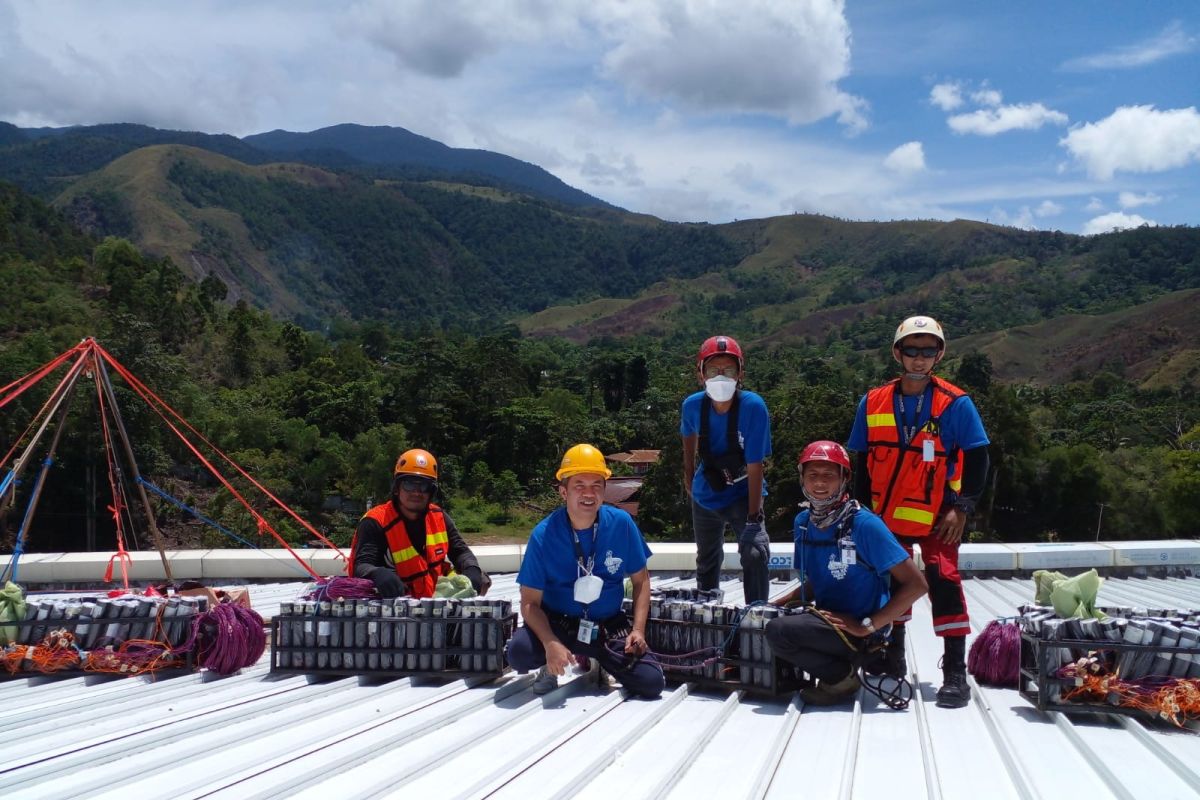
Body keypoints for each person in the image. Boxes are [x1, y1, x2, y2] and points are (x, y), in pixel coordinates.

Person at [847, 315, 990, 708]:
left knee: (943, 581)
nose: (919, 359)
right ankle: (893, 657)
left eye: (928, 351)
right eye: (912, 350)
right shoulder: (873, 401)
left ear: (939, 355)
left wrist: (962, 509)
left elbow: (979, 458)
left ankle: (955, 671)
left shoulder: (955, 404)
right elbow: (861, 463)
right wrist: (861, 514)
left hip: (937, 515)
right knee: (893, 585)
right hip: (885, 517)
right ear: (898, 353)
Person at [766, 441, 928, 706]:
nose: (819, 483)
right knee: (763, 621)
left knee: (778, 632)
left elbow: (917, 584)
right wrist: (773, 605)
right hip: (828, 623)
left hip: (860, 631)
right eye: (812, 476)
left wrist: (867, 626)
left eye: (828, 475)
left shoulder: (865, 525)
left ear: (845, 478)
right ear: (802, 479)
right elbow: (816, 583)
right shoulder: (803, 524)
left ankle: (841, 678)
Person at [506, 444, 665, 699]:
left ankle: (600, 659)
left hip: (606, 626)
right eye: (579, 485)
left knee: (651, 683)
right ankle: (553, 660)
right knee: (519, 652)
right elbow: (529, 604)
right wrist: (549, 642)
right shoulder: (543, 535)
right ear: (563, 491)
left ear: (604, 490)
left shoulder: (621, 524)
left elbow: (641, 582)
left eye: (596, 485)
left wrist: (637, 630)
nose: (588, 493)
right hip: (559, 622)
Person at [680, 335, 773, 603]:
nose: (721, 377)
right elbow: (688, 436)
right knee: (707, 559)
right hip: (707, 493)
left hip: (744, 494)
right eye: (713, 370)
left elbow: (756, 465)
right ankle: (707, 612)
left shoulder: (753, 407)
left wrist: (755, 518)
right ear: (701, 374)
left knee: (754, 553)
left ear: (740, 373)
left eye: (728, 370)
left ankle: (756, 613)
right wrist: (688, 476)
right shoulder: (693, 406)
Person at [347, 448, 490, 598]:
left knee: (481, 579)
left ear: (431, 492)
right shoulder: (375, 521)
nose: (416, 492)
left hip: (435, 603)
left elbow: (461, 551)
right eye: (409, 485)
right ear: (397, 488)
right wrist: (377, 574)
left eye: (423, 486)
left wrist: (472, 568)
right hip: (394, 606)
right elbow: (361, 566)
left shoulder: (439, 517)